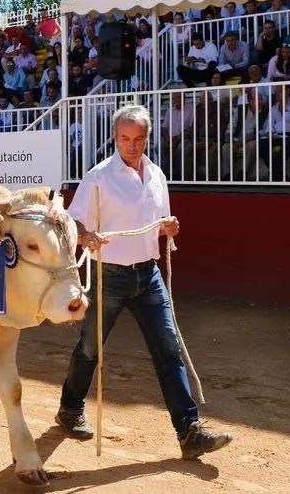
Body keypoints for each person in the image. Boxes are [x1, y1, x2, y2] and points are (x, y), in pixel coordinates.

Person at [54, 104, 232, 460]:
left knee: (168, 349)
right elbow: (71, 222)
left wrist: (169, 227)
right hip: (109, 275)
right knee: (90, 348)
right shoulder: (99, 176)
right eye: (125, 138)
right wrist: (86, 236)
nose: (131, 145)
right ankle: (70, 410)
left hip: (149, 275)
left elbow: (158, 222)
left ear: (147, 138)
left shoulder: (156, 175)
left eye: (138, 139)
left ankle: (189, 430)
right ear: (115, 137)